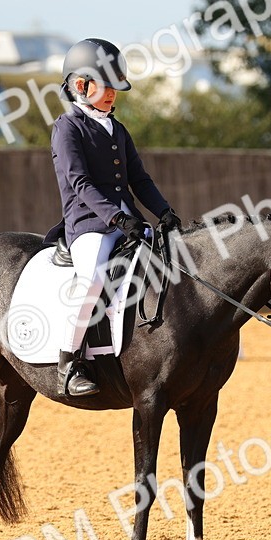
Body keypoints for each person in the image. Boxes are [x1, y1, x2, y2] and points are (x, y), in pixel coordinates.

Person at [45, 37, 182, 397]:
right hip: (89, 224)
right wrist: (117, 219)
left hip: (129, 223)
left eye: (115, 89)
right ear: (80, 84)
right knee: (91, 279)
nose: (112, 95)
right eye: (106, 87)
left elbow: (139, 179)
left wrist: (164, 211)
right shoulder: (67, 128)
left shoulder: (117, 128)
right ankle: (68, 363)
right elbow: (80, 183)